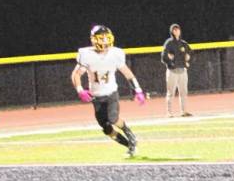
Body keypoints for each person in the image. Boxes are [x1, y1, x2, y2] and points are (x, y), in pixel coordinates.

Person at [71, 25, 146, 157]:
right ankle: (130, 145)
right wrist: (80, 89)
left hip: (111, 93)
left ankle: (130, 134)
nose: (105, 41)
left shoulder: (115, 54)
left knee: (112, 118)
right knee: (106, 128)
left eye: (106, 38)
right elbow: (76, 74)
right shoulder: (86, 55)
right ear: (94, 39)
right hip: (96, 97)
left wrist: (138, 89)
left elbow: (127, 73)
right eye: (101, 38)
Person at [161, 23, 193, 117]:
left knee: (183, 92)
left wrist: (188, 59)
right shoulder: (169, 43)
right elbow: (163, 57)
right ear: (171, 31)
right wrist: (171, 63)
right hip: (172, 71)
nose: (176, 31)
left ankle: (184, 111)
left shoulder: (183, 43)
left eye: (177, 29)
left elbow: (191, 53)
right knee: (171, 93)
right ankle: (169, 112)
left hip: (183, 71)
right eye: (174, 30)